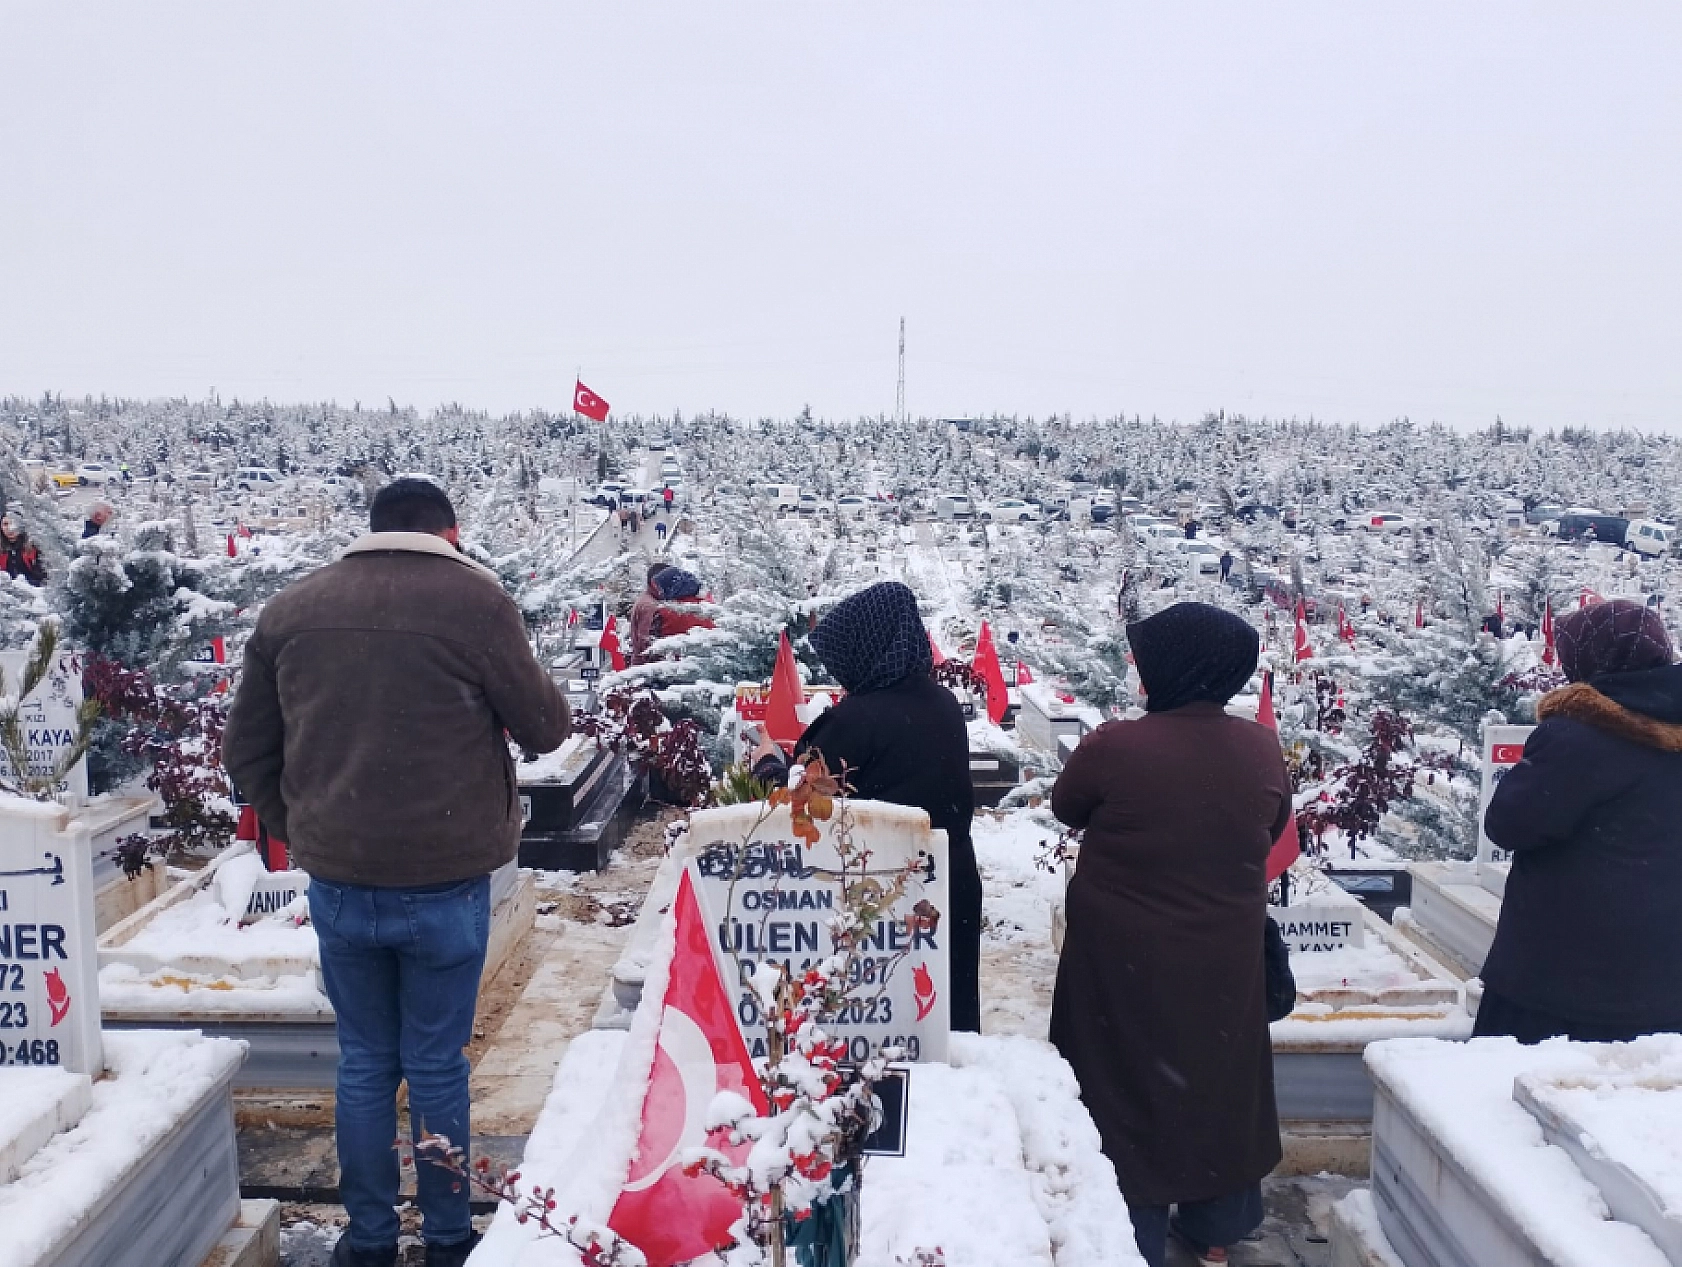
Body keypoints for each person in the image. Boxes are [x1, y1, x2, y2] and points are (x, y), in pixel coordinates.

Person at [223, 478, 571, 1267]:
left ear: (372, 530)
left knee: (366, 1062)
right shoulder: (477, 605)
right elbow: (548, 727)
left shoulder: (293, 611)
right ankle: (448, 1238)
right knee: (437, 1064)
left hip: (342, 880)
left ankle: (371, 1240)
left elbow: (245, 753)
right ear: (449, 533)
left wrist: (304, 828)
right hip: (446, 878)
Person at [1048, 602, 1290, 1267]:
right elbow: (1271, 827)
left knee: (1125, 1092)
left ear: (1169, 666)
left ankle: (1134, 1234)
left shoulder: (1118, 745)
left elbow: (1066, 804)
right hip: (1223, 957)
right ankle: (1216, 1228)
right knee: (1215, 1085)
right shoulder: (1258, 746)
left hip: (1124, 962)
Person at [750, 581, 982, 1031]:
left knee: (881, 1021)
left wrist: (767, 765)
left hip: (882, 895)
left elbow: (798, 805)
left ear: (866, 651)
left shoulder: (856, 719)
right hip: (949, 884)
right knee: (940, 1021)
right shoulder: (942, 702)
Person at [1476, 599, 1682, 1045]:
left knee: (1510, 1106)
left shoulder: (1578, 737)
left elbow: (1509, 824)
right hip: (1662, 984)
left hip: (1560, 986)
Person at [648, 567, 713, 643]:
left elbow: (652, 642)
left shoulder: (665, 611)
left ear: (670, 588)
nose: (660, 593)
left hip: (676, 653)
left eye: (661, 589)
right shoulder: (709, 604)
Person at [629, 563, 672, 663]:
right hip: (648, 669)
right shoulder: (650, 606)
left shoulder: (648, 599)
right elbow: (647, 641)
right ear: (655, 583)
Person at [1, 514, 47, 586]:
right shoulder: (1, 549)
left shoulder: (34, 546)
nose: (10, 528)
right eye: (5, 524)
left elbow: (44, 576)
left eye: (14, 523)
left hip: (34, 590)